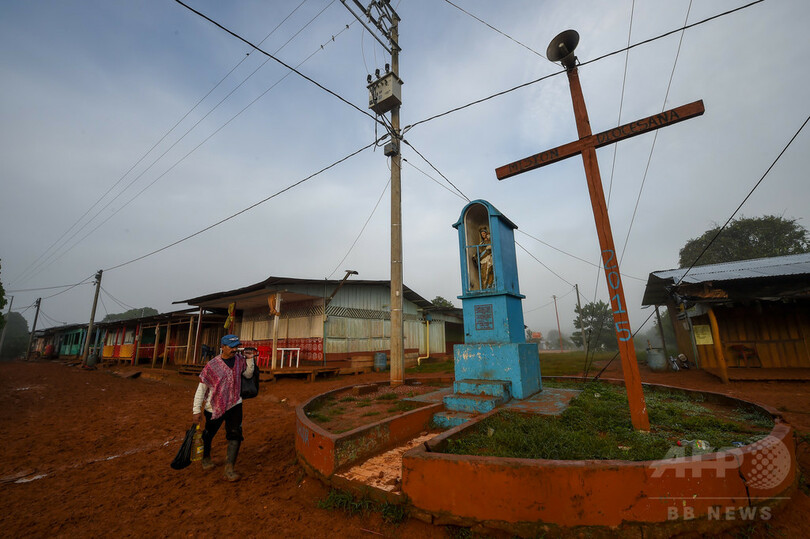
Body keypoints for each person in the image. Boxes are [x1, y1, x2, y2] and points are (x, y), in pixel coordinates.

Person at [192, 334, 255, 482]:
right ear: (223, 347)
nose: (234, 350)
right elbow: (201, 389)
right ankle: (206, 458)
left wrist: (250, 359)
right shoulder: (212, 366)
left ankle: (229, 469)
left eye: (236, 346)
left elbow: (248, 374)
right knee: (209, 434)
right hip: (214, 407)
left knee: (235, 435)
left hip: (235, 404)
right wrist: (196, 410)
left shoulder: (240, 361)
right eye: (231, 347)